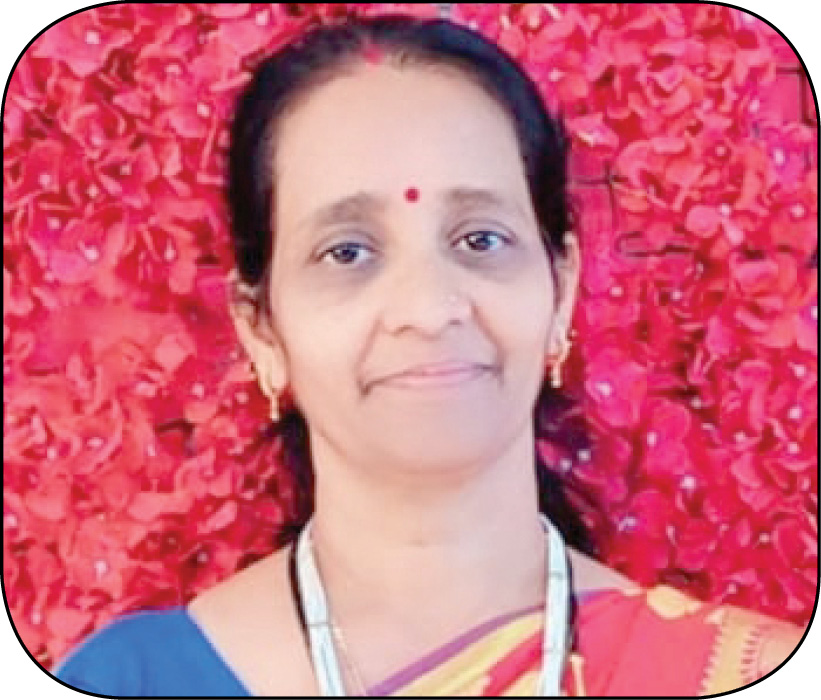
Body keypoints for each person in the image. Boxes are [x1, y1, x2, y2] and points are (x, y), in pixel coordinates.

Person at [53, 13, 805, 697]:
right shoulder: (129, 682)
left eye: (479, 239)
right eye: (347, 252)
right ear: (262, 331)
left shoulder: (744, 674)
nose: (427, 308)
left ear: (561, 291)